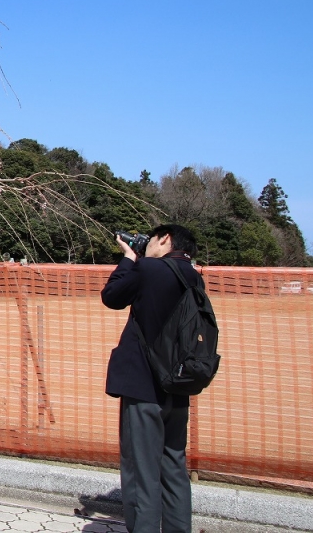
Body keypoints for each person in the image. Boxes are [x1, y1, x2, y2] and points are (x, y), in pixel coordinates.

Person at [102, 224, 199, 533]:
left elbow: (112, 295)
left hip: (143, 386)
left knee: (141, 472)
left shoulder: (149, 268)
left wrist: (130, 257)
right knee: (173, 469)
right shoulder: (194, 276)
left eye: (152, 240)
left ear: (165, 239)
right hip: (178, 385)